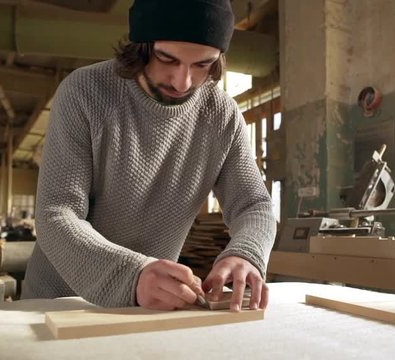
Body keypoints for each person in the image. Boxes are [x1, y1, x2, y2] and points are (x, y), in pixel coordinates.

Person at [22, 0, 276, 311]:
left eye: (202, 64)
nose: (183, 82)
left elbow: (254, 205)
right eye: (167, 59)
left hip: (148, 306)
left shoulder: (221, 115)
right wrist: (130, 276)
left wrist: (246, 252)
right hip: (59, 302)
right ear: (141, 46)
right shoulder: (84, 92)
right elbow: (57, 213)